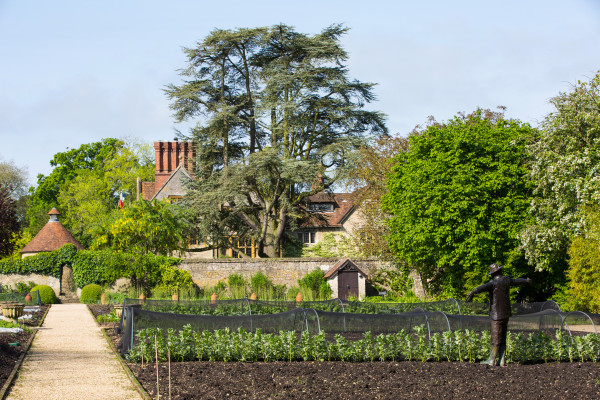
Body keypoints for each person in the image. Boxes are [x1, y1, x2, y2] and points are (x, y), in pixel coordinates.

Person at [465, 263, 532, 366]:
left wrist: (473, 292)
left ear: (492, 274)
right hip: (506, 313)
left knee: (495, 337)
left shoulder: (493, 283)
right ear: (500, 271)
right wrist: (526, 281)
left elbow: (482, 287)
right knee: (503, 337)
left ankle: (491, 360)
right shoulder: (506, 280)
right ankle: (501, 360)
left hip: (496, 315)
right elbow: (517, 281)